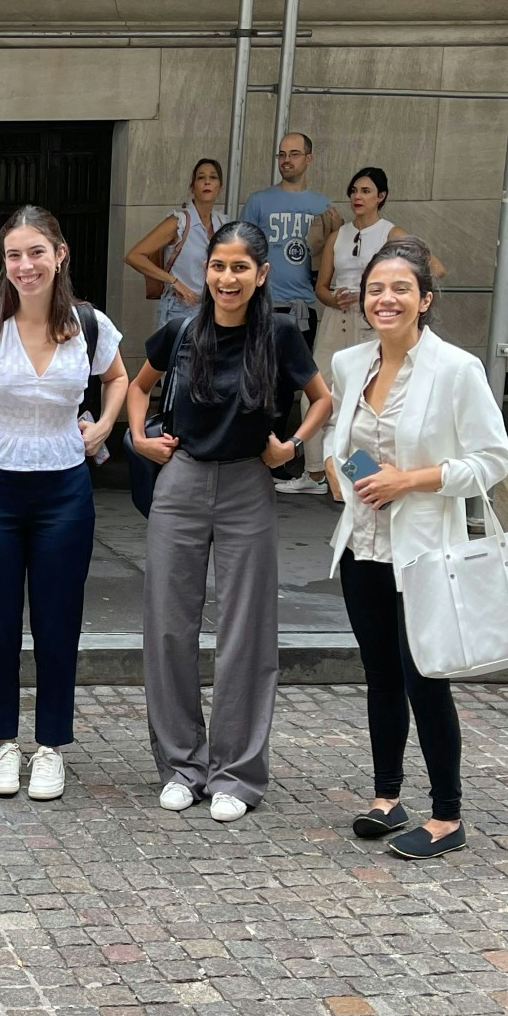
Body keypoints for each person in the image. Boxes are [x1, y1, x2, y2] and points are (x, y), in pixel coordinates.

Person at [0, 205, 128, 803]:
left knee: (59, 622)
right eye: (14, 255)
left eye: (36, 252)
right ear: (4, 262)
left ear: (59, 254)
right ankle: (4, 742)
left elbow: (117, 378)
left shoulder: (88, 324)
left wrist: (106, 425)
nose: (25, 265)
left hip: (64, 487)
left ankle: (52, 746)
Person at [126, 220, 331, 824]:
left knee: (247, 631)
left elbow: (322, 399)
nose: (227, 278)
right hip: (182, 478)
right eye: (219, 266)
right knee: (168, 625)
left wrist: (290, 447)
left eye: (241, 267)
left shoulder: (282, 335)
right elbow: (139, 387)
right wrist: (139, 438)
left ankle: (236, 775)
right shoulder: (182, 329)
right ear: (206, 270)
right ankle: (181, 767)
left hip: (248, 482)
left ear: (262, 274)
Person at [324, 236, 508, 861]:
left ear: (424, 299)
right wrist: (343, 470)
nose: (386, 298)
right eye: (376, 288)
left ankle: (447, 814)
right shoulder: (352, 364)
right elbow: (337, 436)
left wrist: (411, 479)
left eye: (401, 288)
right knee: (380, 675)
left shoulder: (457, 369)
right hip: (363, 546)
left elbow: (492, 460)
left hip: (426, 551)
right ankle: (386, 797)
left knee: (426, 678)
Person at [307, 167, 443, 491]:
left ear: (380, 196)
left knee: (364, 401)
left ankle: (359, 475)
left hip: (372, 321)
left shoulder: (391, 233)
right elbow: (321, 287)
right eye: (354, 190)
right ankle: (315, 472)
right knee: (317, 393)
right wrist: (334, 298)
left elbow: (435, 268)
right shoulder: (337, 236)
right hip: (335, 319)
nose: (357, 197)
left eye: (366, 191)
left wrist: (385, 295)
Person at [240, 132, 341, 494]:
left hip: (304, 310)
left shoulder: (322, 205)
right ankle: (258, 460)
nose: (287, 160)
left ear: (309, 159)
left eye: (295, 154)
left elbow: (332, 252)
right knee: (264, 388)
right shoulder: (259, 201)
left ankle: (292, 461)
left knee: (300, 387)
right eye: (282, 154)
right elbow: (244, 249)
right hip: (266, 307)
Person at [125, 158, 227, 330]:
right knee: (175, 356)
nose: (207, 181)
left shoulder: (222, 223)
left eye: (213, 177)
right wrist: (174, 281)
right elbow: (133, 256)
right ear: (192, 187)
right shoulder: (179, 222)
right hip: (180, 307)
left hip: (212, 307)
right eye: (201, 178)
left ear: (220, 187)